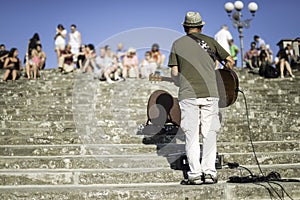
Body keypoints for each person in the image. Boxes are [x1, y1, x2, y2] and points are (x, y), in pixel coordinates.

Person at [168, 11, 234, 185]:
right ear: (201, 27)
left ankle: (195, 174)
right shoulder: (211, 42)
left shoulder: (177, 43)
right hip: (210, 93)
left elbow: (174, 72)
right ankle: (210, 172)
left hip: (188, 94)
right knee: (209, 133)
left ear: (184, 27)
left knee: (191, 134)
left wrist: (178, 81)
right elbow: (230, 60)